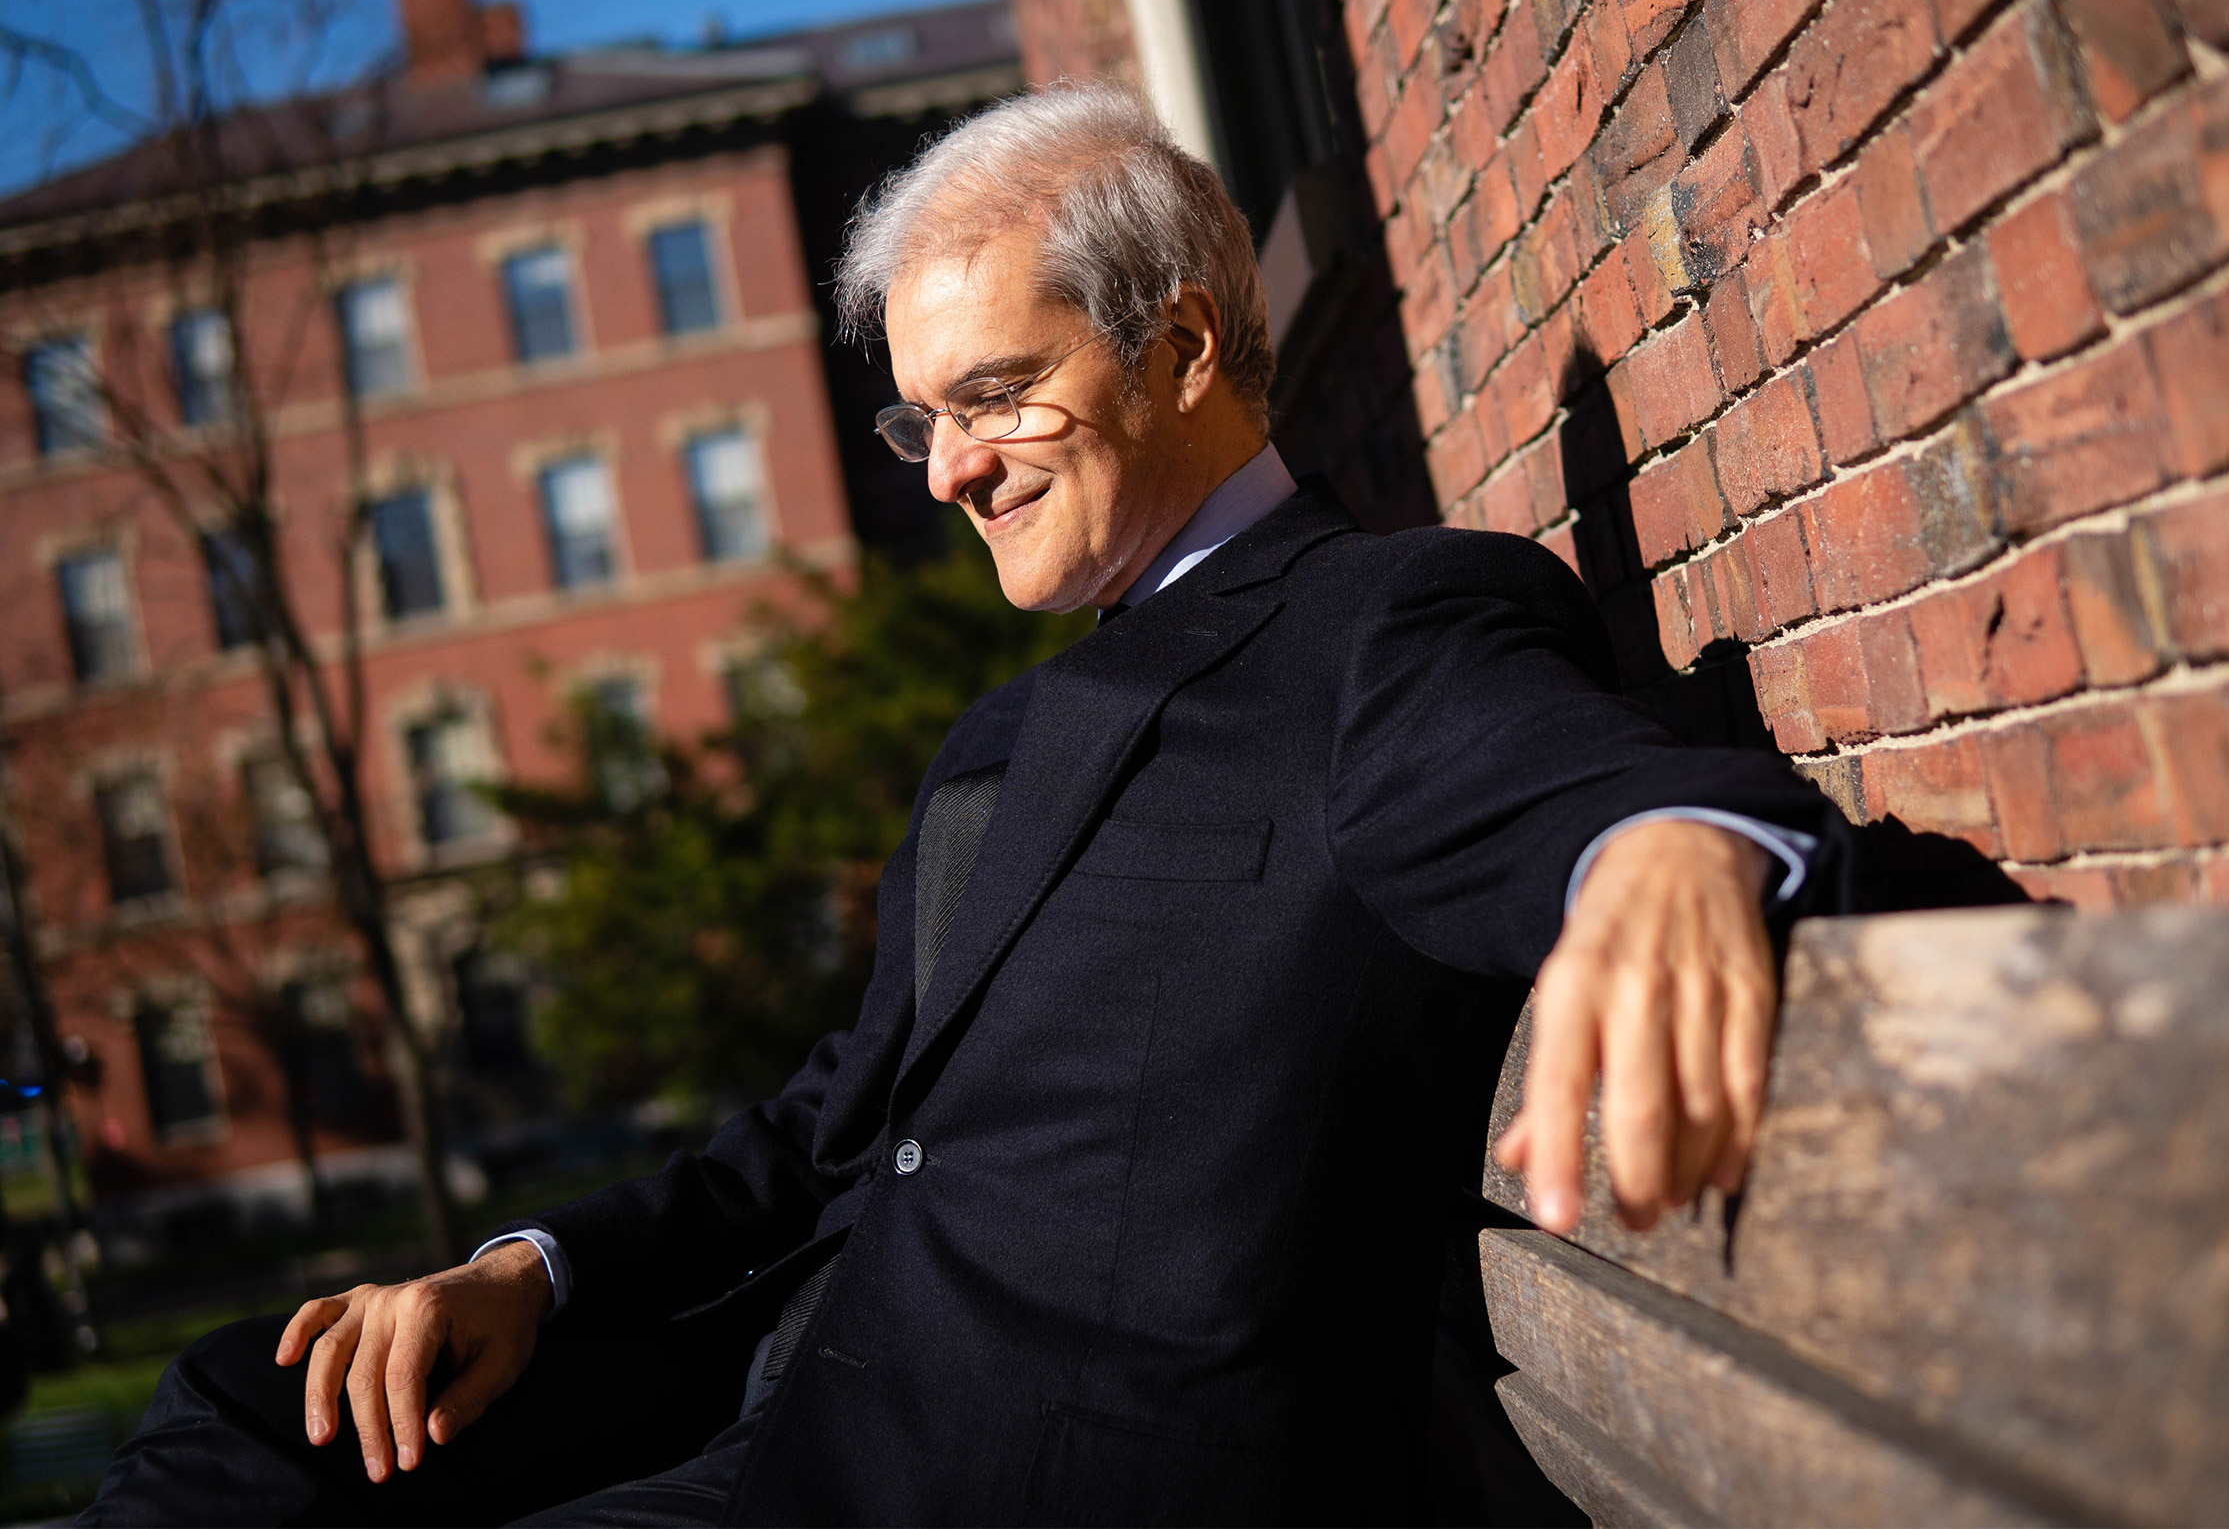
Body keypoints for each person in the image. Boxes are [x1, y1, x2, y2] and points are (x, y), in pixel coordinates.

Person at [84, 85, 1846, 1526]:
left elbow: (1577, 776)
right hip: (767, 1411)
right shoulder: (999, 741)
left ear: (1181, 352)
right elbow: (830, 1129)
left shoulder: (1376, 621)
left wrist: (1664, 855)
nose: (950, 471)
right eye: (921, 418)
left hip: (1003, 1485)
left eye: (999, 396)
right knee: (254, 1413)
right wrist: (530, 1269)